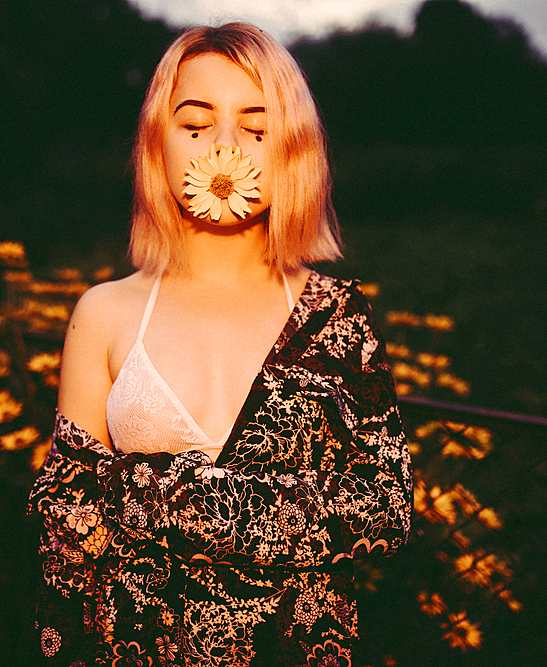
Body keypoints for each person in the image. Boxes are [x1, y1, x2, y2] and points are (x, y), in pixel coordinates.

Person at [27, 23, 412, 666]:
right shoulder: (103, 313)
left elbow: (385, 505)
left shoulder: (339, 316)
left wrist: (151, 494)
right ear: (158, 143)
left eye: (256, 129)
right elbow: (66, 523)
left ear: (290, 150)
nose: (224, 148)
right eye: (196, 123)